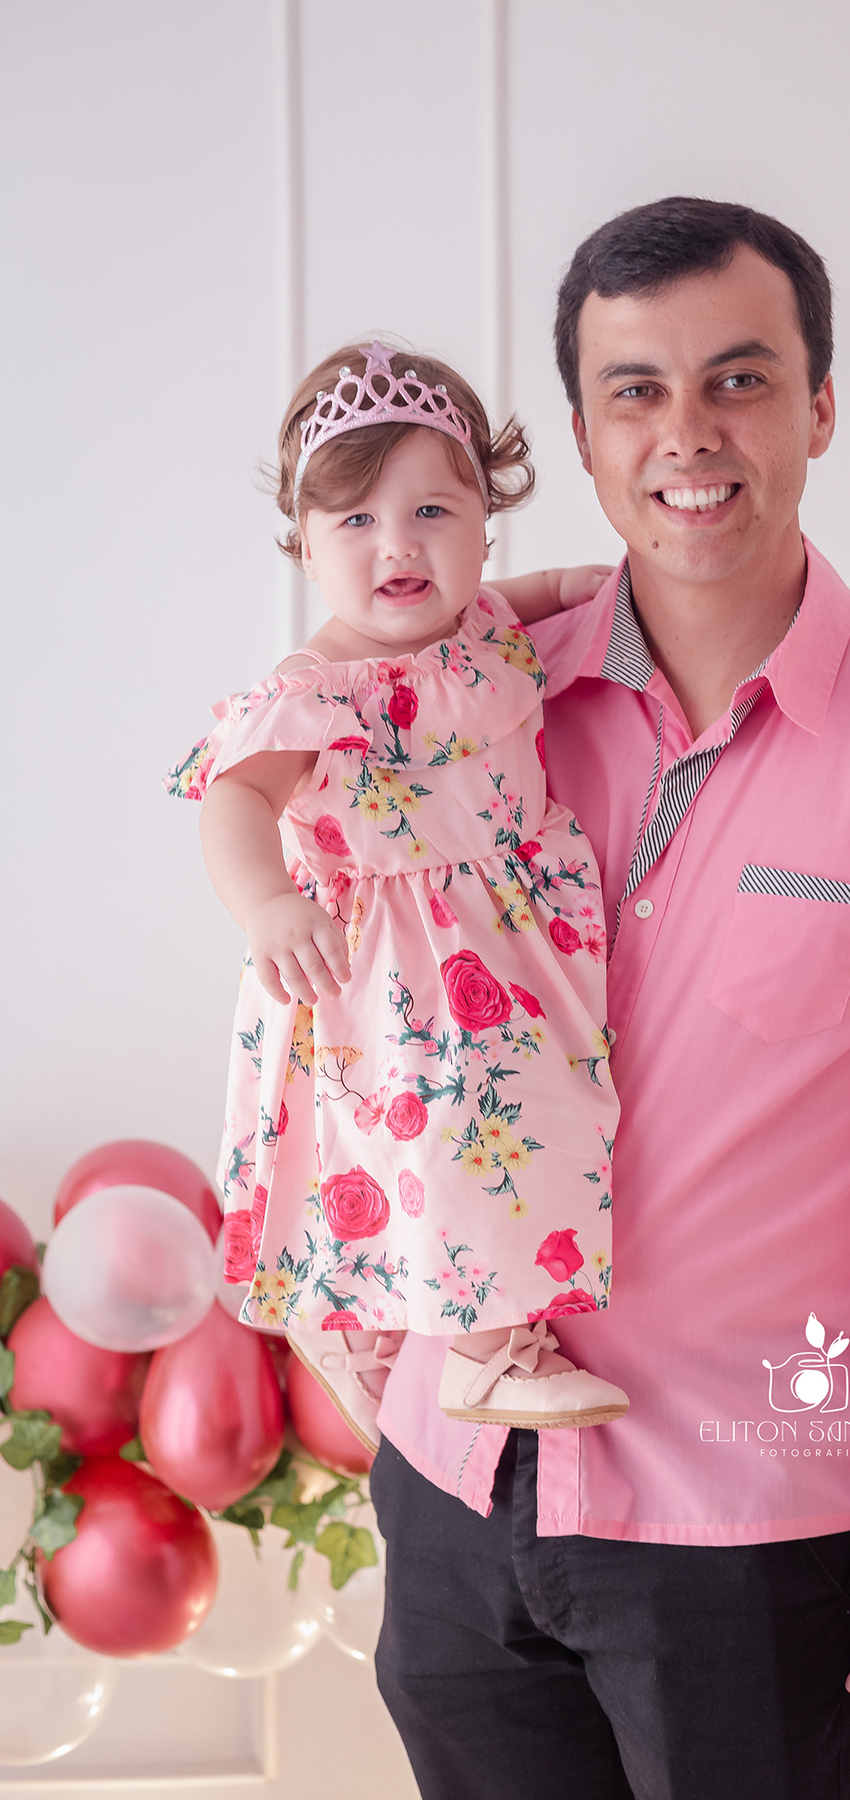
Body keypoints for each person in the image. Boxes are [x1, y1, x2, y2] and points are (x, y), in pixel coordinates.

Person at [368, 199, 850, 1799]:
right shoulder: (478, 699)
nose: (687, 434)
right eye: (636, 391)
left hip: (744, 1530)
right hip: (451, 1476)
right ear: (581, 435)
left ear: (820, 406)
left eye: (739, 380)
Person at [168, 340, 628, 1437]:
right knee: (461, 1142)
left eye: (432, 512)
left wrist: (614, 590)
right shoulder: (313, 692)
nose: (399, 544)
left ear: (484, 522)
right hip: (388, 974)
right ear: (305, 542)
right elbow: (234, 800)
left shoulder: (483, 630)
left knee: (542, 1125)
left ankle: (367, 1328)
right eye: (357, 521)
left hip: (511, 954)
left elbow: (545, 595)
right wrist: (267, 903)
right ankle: (486, 1351)